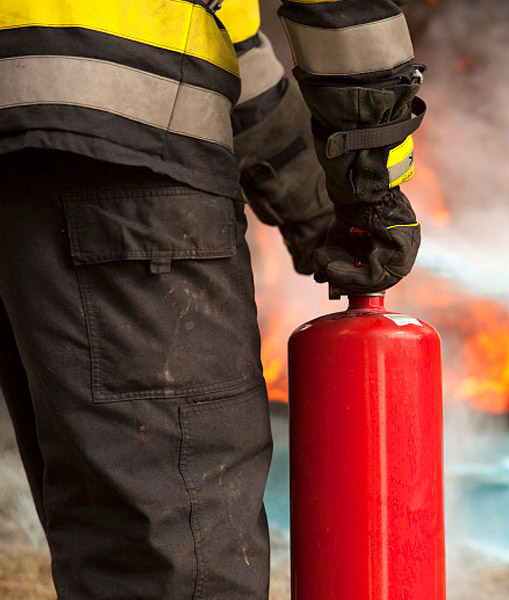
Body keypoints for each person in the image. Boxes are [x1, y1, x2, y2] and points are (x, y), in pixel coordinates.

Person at [0, 0, 425, 597]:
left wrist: (319, 208)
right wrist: (373, 182)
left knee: (114, 534)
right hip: (126, 167)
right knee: (183, 559)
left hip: (31, 141)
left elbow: (222, 36)